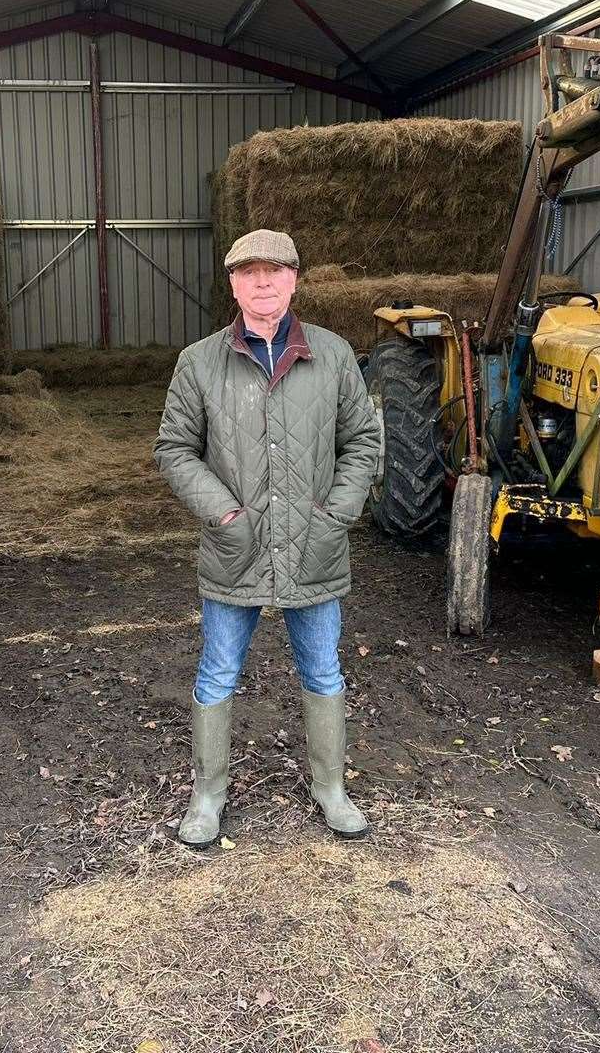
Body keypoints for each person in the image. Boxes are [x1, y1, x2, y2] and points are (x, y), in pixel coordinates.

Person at [154, 229, 381, 848]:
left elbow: (363, 441)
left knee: (323, 669)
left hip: (315, 545)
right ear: (232, 284)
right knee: (218, 672)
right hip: (238, 548)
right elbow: (174, 449)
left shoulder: (332, 355)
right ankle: (208, 794)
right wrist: (226, 515)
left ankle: (331, 789)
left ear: (294, 281)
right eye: (249, 273)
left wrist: (336, 514)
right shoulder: (199, 362)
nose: (263, 283)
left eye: (275, 272)